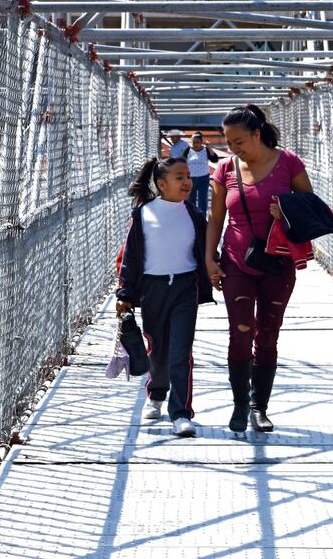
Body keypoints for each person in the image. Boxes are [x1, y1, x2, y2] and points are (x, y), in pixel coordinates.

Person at [205, 104, 314, 433]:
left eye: (238, 141)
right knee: (240, 332)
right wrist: (209, 259)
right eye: (228, 142)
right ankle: (239, 404)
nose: (233, 148)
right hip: (236, 261)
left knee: (268, 334)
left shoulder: (288, 162)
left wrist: (286, 211)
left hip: (277, 261)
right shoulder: (225, 169)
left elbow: (310, 207)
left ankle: (259, 407)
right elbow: (216, 218)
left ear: (257, 134)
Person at [116, 157, 215, 437]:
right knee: (158, 349)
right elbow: (130, 257)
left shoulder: (194, 214)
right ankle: (157, 393)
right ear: (161, 184)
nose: (187, 182)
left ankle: (181, 413)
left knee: (181, 352)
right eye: (179, 177)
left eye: (188, 176)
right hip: (153, 289)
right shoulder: (143, 214)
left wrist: (216, 268)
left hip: (185, 287)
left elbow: (206, 251)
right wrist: (124, 294)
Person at [185, 131, 220, 217]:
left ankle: (202, 219)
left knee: (202, 201)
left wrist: (209, 148)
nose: (195, 144)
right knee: (191, 201)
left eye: (197, 142)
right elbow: (181, 160)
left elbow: (215, 159)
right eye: (193, 142)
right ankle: (192, 218)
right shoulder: (188, 150)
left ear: (201, 142)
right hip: (191, 179)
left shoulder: (205, 150)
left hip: (203, 179)